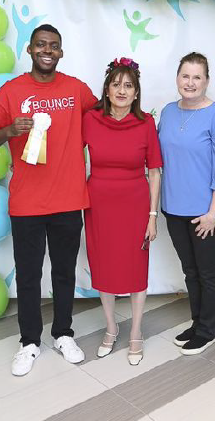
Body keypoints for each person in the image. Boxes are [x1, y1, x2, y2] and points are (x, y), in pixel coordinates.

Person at [0, 24, 98, 376]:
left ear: (60, 52)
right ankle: (29, 342)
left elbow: (105, 115)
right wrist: (7, 131)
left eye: (55, 46)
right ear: (30, 50)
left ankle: (63, 333)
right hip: (27, 204)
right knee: (29, 276)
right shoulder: (11, 91)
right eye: (41, 44)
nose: (48, 50)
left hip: (67, 199)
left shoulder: (76, 89)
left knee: (64, 273)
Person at [82, 57, 162, 366]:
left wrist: (152, 216)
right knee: (103, 266)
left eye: (128, 85)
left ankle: (136, 332)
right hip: (98, 204)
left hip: (135, 204)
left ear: (137, 93)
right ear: (106, 89)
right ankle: (111, 328)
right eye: (116, 84)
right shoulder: (90, 119)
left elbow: (154, 171)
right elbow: (69, 154)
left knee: (134, 268)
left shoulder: (145, 124)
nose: (121, 90)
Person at [158, 52, 215, 355]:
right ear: (178, 78)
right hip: (174, 208)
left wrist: (214, 213)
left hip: (206, 212)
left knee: (209, 272)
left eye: (197, 77)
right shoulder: (167, 111)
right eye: (185, 76)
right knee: (190, 271)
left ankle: (207, 330)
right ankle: (197, 320)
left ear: (207, 81)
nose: (190, 83)